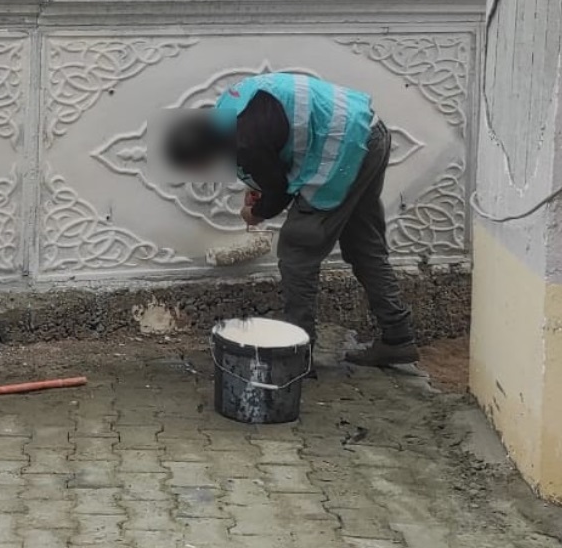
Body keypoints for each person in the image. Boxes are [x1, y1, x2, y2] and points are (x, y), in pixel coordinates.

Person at [163, 71, 417, 367]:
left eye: (195, 168)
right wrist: (258, 181)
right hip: (369, 130)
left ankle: (298, 355)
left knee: (298, 247)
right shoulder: (224, 112)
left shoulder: (246, 143)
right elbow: (275, 142)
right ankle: (398, 337)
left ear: (200, 157)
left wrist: (254, 213)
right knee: (363, 244)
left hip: (344, 146)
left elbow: (279, 192)